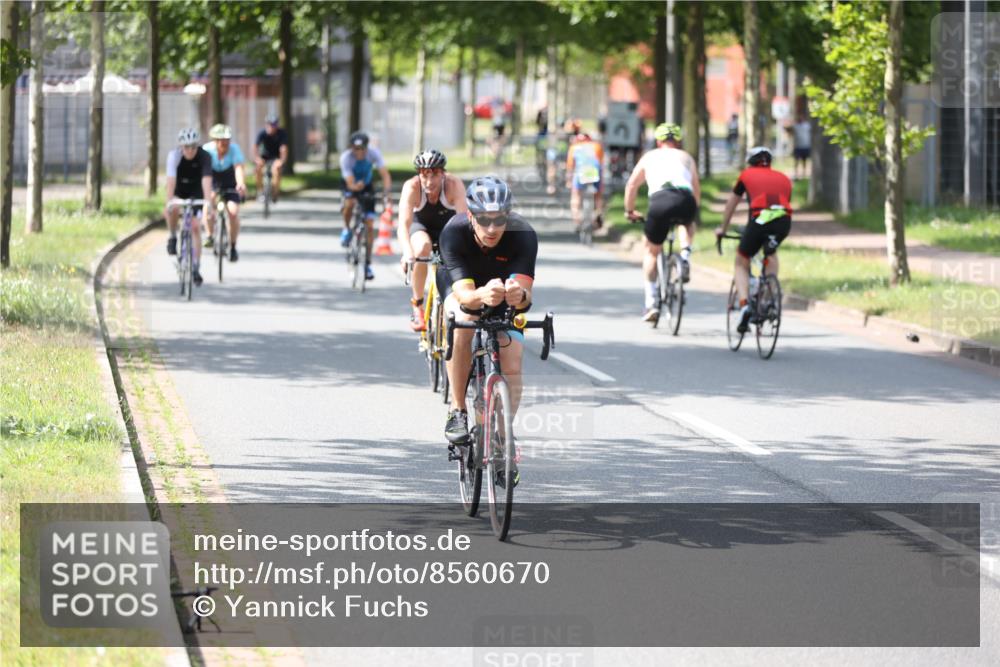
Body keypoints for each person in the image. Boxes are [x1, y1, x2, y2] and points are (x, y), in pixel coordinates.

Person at [439, 176, 537, 466]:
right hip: (464, 287)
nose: (492, 228)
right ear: (470, 215)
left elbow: (526, 299)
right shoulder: (453, 232)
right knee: (463, 321)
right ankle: (458, 410)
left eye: (499, 219)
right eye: (483, 220)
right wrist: (482, 294)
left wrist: (518, 295)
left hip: (502, 293)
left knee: (513, 361)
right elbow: (466, 298)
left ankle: (503, 438)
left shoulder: (523, 234)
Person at [624, 122, 701, 324]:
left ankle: (651, 303)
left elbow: (632, 184)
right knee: (687, 223)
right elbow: (696, 189)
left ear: (658, 141)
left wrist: (629, 210)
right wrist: (694, 211)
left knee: (651, 251)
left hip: (660, 202)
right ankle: (685, 255)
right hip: (685, 199)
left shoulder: (649, 157)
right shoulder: (686, 158)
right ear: (678, 141)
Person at [714, 146, 793, 333]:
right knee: (771, 254)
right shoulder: (784, 178)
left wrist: (722, 229)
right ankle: (767, 299)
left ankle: (744, 306)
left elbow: (731, 205)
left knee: (741, 260)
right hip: (783, 221)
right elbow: (783, 203)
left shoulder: (746, 175)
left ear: (750, 162)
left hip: (760, 219)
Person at [397, 149, 467, 331]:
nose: (429, 181)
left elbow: (464, 222)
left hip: (447, 228)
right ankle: (418, 305)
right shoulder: (411, 187)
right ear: (419, 174)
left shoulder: (453, 185)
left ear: (443, 173)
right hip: (421, 227)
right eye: (424, 175)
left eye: (434, 174)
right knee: (422, 248)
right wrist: (407, 252)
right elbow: (403, 225)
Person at [339, 131, 392, 281]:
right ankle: (347, 228)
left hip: (367, 186)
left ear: (367, 148)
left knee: (369, 225)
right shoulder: (346, 158)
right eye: (356, 149)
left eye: (363, 148)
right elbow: (350, 183)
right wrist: (355, 187)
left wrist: (386, 193)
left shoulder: (373, 154)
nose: (360, 152)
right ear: (351, 148)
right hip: (350, 184)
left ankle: (367, 264)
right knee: (349, 203)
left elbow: (385, 175)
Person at [164, 127, 213, 286]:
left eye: (193, 146)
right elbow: (170, 182)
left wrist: (208, 203)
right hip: (179, 190)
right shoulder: (174, 156)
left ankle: (196, 267)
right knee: (173, 208)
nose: (190, 150)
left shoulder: (205, 156)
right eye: (186, 147)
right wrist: (170, 202)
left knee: (195, 227)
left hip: (196, 192)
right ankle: (172, 236)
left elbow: (206, 181)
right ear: (181, 147)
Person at [203, 124, 247, 262]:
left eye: (227, 140)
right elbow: (203, 173)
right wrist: (207, 190)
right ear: (215, 141)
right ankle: (210, 235)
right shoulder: (207, 150)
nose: (225, 144)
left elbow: (238, 168)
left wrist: (241, 183)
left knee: (233, 212)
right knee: (208, 204)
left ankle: (233, 246)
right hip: (213, 180)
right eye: (222, 141)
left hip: (230, 181)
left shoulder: (234, 149)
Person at [565, 131, 605, 231]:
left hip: (581, 171)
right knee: (598, 194)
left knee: (576, 195)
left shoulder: (574, 148)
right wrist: (601, 184)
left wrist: (569, 181)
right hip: (594, 170)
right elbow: (600, 165)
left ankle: (577, 220)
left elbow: (570, 168)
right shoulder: (596, 146)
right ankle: (598, 213)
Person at [253, 113, 288, 203]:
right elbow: (255, 147)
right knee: (257, 169)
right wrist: (257, 158)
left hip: (276, 157)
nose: (271, 127)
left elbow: (283, 149)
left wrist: (282, 161)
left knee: (276, 169)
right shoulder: (262, 133)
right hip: (264, 157)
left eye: (274, 125)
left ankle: (275, 192)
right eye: (269, 124)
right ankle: (260, 191)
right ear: (266, 125)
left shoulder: (282, 133)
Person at [792, 115, 811, 180]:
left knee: (804, 161)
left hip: (805, 146)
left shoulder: (807, 126)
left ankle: (804, 174)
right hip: (798, 146)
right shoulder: (795, 126)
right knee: (796, 161)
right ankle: (796, 174)